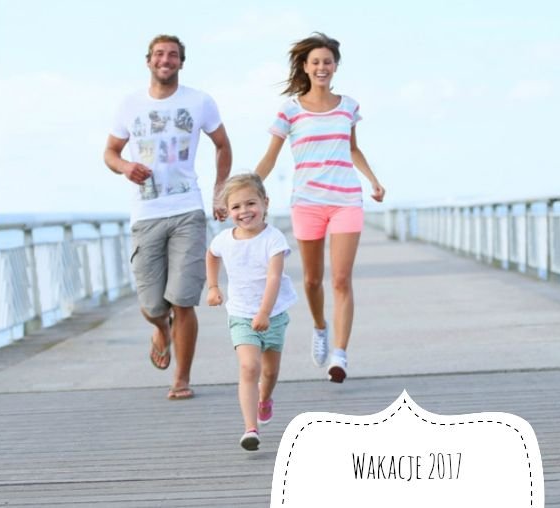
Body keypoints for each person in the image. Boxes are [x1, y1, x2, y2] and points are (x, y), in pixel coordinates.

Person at [104, 34, 232, 400]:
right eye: (159, 54)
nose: (166, 60)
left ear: (181, 63)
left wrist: (219, 192)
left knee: (183, 300)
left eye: (173, 55)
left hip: (187, 211)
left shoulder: (199, 101)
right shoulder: (129, 104)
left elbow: (222, 145)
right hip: (146, 214)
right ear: (148, 61)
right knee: (152, 306)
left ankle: (181, 379)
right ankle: (161, 329)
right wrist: (126, 166)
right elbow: (110, 152)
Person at [255, 32, 385, 383]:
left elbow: (352, 148)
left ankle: (340, 354)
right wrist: (246, 187)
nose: (322, 67)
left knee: (341, 279)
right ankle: (320, 326)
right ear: (305, 66)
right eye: (315, 62)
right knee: (313, 280)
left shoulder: (348, 106)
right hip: (308, 202)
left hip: (346, 200)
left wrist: (372, 180)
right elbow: (270, 157)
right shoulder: (290, 110)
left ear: (335, 66)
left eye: (328, 61)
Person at [206, 173, 297, 450]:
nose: (244, 211)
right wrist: (213, 286)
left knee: (269, 373)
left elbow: (273, 278)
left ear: (265, 203)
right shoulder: (224, 239)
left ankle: (265, 399)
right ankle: (250, 428)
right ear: (227, 211)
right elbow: (212, 254)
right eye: (236, 207)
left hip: (273, 315)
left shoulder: (274, 239)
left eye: (250, 203)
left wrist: (265, 313)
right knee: (249, 367)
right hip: (241, 314)